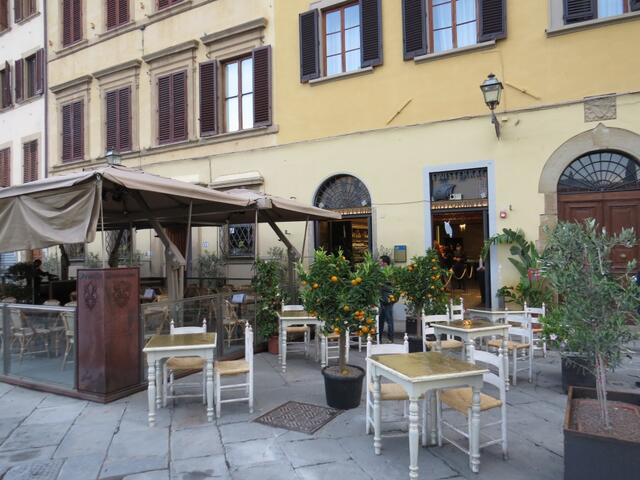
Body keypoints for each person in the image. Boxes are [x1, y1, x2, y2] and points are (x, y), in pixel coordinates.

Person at [378, 255, 394, 343]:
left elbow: (392, 287)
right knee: (380, 319)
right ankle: (379, 338)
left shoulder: (391, 272)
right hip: (381, 299)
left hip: (388, 299)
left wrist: (382, 285)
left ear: (384, 263)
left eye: (380, 261)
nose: (379, 263)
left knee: (389, 319)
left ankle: (390, 339)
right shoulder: (380, 272)